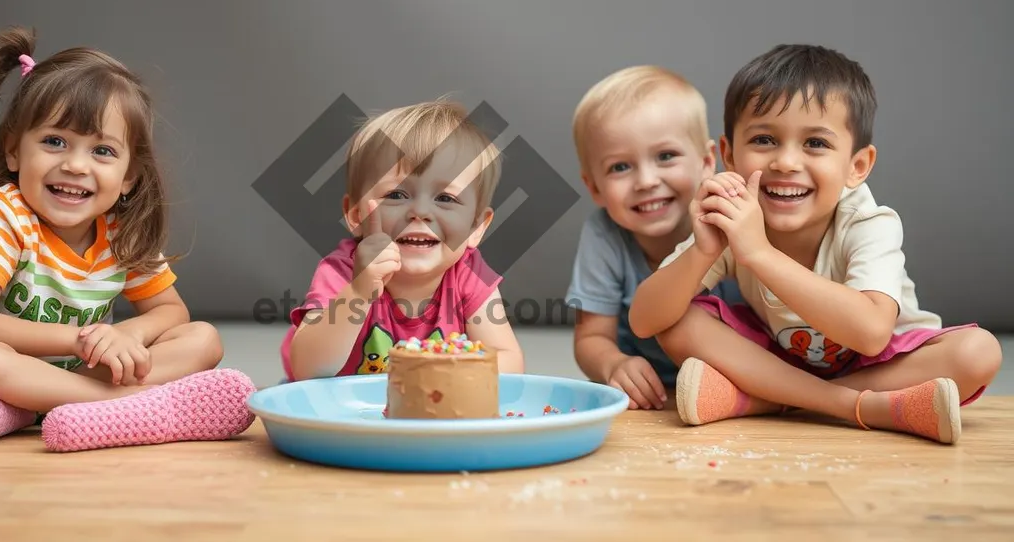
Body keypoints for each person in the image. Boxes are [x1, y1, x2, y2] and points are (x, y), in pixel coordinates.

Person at [628, 44, 1002, 444]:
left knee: (978, 352)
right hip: (780, 359)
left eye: (816, 144)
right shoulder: (732, 216)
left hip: (881, 361)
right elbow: (645, 321)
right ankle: (848, 406)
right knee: (678, 320)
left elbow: (872, 333)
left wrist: (759, 253)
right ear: (729, 155)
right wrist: (702, 252)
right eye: (765, 139)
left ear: (856, 167)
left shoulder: (868, 222)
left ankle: (767, 401)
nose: (786, 162)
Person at [0, 26, 255, 451]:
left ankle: (17, 412)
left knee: (203, 338)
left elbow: (172, 312)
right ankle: (128, 408)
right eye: (55, 141)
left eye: (102, 151)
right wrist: (81, 340)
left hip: (76, 371)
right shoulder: (3, 213)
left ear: (130, 176)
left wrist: (126, 335)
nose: (76, 165)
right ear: (13, 152)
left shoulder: (122, 231)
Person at [281, 98, 525, 381]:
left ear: (476, 228)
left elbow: (508, 362)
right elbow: (308, 369)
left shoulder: (469, 276)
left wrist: (448, 377)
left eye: (445, 198)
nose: (420, 212)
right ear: (356, 214)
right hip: (348, 412)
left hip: (433, 406)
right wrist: (359, 293)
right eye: (396, 195)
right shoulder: (343, 272)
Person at [567, 65, 742, 410]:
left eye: (665, 156)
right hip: (658, 393)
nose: (646, 180)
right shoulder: (605, 235)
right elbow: (591, 337)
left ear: (708, 161)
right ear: (594, 187)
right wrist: (613, 365)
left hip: (745, 374)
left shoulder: (731, 217)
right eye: (620, 167)